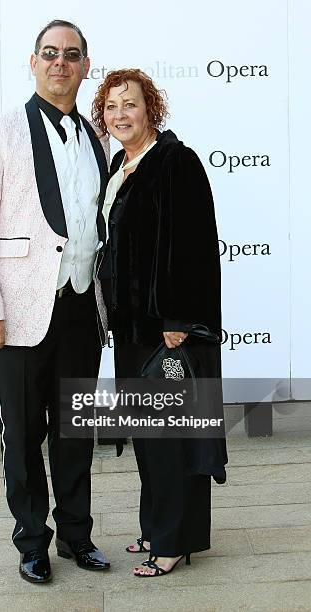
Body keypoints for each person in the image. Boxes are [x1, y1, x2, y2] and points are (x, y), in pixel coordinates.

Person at [0, 20, 111, 584]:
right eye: (50, 53)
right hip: (18, 312)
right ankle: (31, 543)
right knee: (23, 437)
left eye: (71, 55)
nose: (60, 63)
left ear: (84, 66)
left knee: (75, 432)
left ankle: (77, 535)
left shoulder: (98, 139)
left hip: (79, 305)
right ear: (33, 62)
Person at [92, 69, 228, 577]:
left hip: (166, 330)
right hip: (131, 329)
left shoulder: (175, 160)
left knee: (172, 438)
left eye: (130, 104)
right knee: (150, 437)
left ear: (151, 108)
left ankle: (173, 542)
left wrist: (178, 318)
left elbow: (193, 243)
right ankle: (156, 526)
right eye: (110, 107)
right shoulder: (118, 167)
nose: (120, 115)